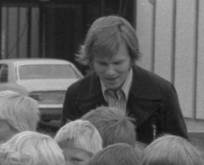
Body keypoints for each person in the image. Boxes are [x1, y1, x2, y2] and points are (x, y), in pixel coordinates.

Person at [61, 16, 187, 144]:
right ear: (91, 60)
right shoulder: (75, 94)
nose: (110, 72)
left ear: (132, 58)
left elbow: (179, 152)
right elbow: (66, 150)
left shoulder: (163, 92)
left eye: (117, 63)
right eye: (102, 64)